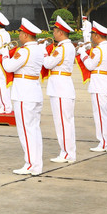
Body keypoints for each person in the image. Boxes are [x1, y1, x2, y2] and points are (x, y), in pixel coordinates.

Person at [0, 18, 46, 175]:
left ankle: (31, 164)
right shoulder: (39, 49)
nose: (19, 35)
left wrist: (4, 55)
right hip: (34, 91)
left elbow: (9, 66)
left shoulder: (25, 51)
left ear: (25, 35)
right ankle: (36, 163)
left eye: (20, 32)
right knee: (34, 130)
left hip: (24, 93)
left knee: (26, 131)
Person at [42, 16, 76, 163]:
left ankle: (67, 153)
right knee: (65, 121)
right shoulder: (67, 46)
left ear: (60, 32)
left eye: (55, 31)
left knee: (62, 122)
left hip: (60, 88)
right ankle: (68, 151)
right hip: (62, 86)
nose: (53, 33)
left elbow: (48, 63)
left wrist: (44, 51)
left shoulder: (61, 48)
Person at [77, 22, 107, 152]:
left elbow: (90, 65)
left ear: (97, 35)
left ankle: (104, 143)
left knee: (100, 115)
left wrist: (83, 53)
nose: (92, 37)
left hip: (99, 84)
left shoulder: (99, 50)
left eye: (92, 34)